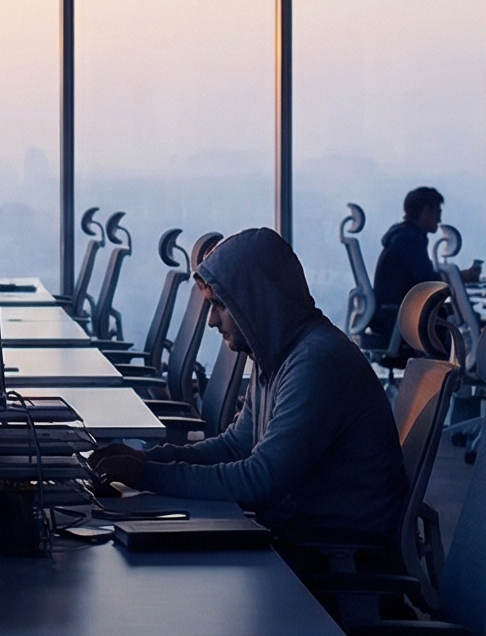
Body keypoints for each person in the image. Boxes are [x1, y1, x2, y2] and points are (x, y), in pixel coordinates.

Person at [91, 227, 406, 546]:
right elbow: (235, 446)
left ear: (256, 303)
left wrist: (145, 475)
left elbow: (260, 481)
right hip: (301, 536)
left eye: (220, 306)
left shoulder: (316, 363)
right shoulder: (278, 355)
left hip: (332, 553)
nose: (212, 321)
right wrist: (146, 460)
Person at [368, 186, 444, 345]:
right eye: (437, 212)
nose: (439, 220)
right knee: (449, 325)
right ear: (426, 211)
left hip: (390, 316)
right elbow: (428, 282)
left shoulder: (404, 236)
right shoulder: (409, 240)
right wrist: (460, 278)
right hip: (395, 320)